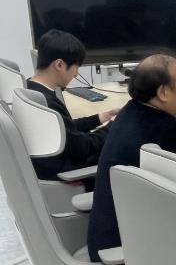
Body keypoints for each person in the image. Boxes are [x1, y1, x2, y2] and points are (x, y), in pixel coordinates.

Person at [87, 55, 176, 261]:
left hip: (107, 237)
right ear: (163, 92)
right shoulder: (171, 129)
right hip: (131, 252)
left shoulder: (131, 112)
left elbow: (169, 158)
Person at [27, 29, 118, 180]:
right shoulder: (47, 103)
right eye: (76, 67)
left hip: (51, 164)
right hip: (67, 175)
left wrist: (100, 118)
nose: (76, 74)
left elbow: (64, 130)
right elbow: (85, 148)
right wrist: (113, 127)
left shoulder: (30, 89)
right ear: (60, 65)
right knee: (123, 147)